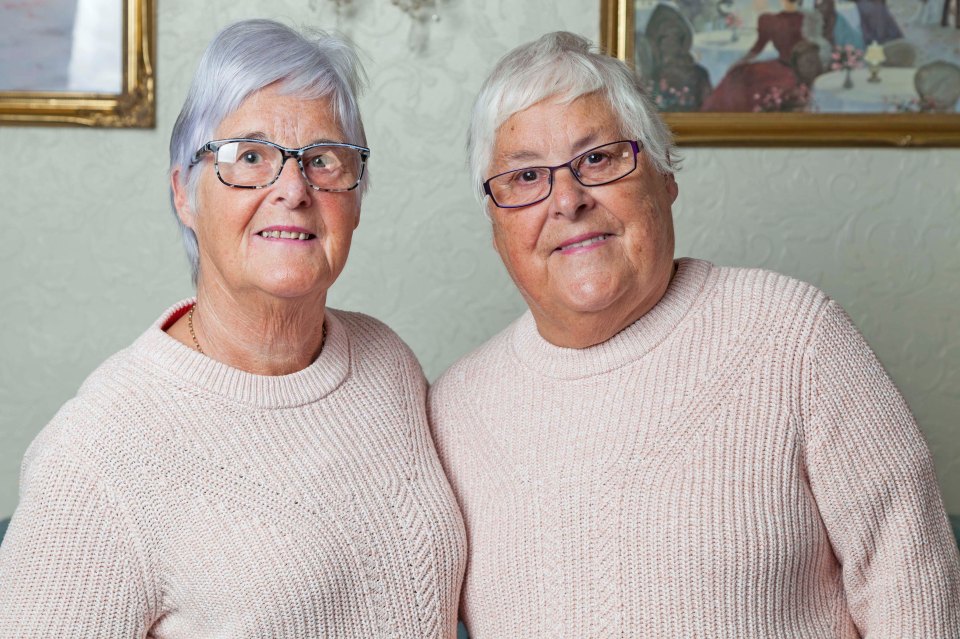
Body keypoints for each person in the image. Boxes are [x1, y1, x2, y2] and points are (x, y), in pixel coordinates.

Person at [428, 31, 960, 637]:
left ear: (664, 176)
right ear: (495, 223)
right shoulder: (454, 409)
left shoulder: (794, 336)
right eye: (525, 178)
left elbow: (915, 598)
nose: (567, 200)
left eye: (598, 158)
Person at [0, 19, 465, 638]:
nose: (292, 189)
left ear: (355, 196)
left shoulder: (388, 363)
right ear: (184, 196)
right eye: (249, 156)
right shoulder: (94, 459)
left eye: (323, 160)